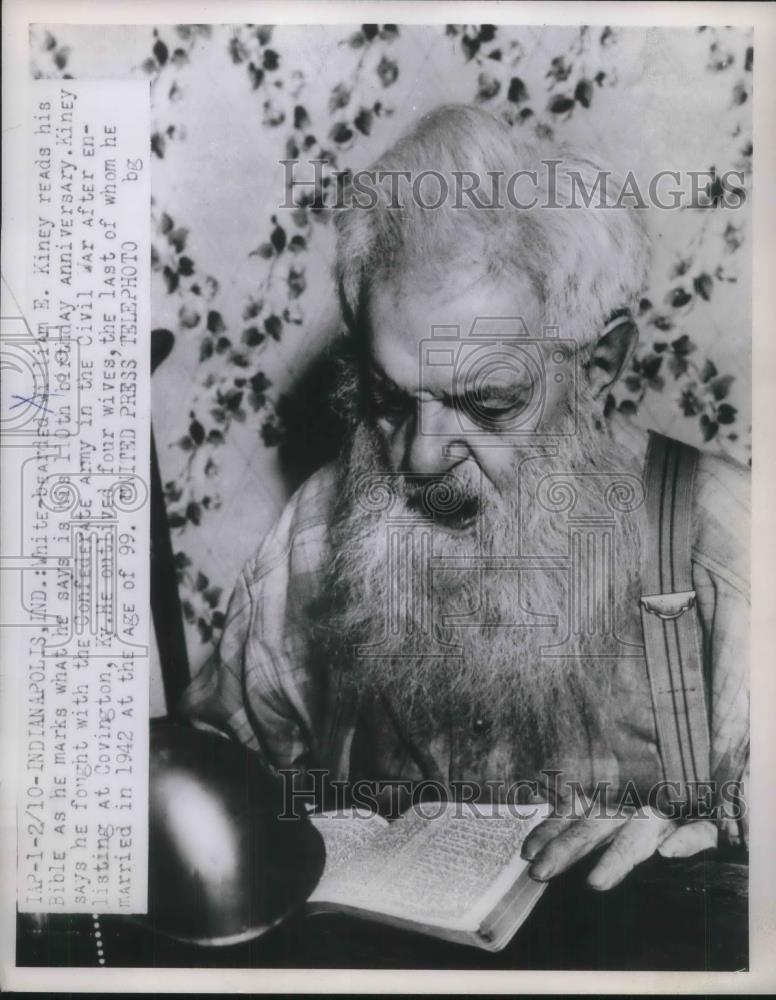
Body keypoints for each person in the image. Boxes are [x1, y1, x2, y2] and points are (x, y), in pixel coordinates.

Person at [180, 105, 749, 893]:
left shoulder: (731, 547)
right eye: (388, 397)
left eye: (487, 405)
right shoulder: (316, 531)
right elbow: (207, 801)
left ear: (600, 366)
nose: (419, 455)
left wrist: (718, 848)